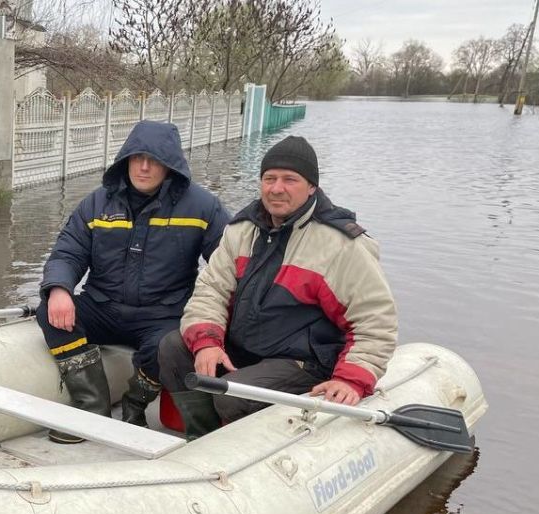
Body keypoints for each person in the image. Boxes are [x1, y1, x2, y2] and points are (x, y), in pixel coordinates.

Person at [158, 136, 398, 439]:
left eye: (290, 179)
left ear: (311, 187)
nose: (276, 188)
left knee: (234, 395)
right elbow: (211, 291)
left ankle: (241, 446)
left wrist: (351, 380)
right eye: (269, 178)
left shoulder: (341, 244)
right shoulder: (242, 230)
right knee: (173, 348)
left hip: (304, 361)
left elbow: (376, 321)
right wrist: (207, 342)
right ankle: (201, 438)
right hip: (248, 348)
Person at [37, 121, 229, 443]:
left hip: (163, 315)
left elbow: (228, 266)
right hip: (103, 307)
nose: (143, 167)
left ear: (170, 165)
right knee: (48, 311)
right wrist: (59, 289)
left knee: (169, 345)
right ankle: (92, 406)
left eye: (154, 160)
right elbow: (67, 253)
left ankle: (134, 407)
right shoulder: (96, 203)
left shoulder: (203, 207)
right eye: (137, 158)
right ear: (125, 160)